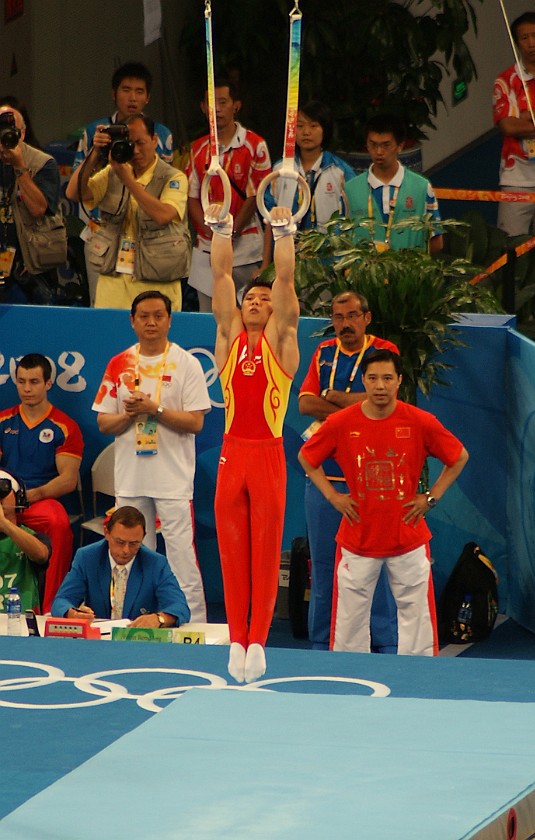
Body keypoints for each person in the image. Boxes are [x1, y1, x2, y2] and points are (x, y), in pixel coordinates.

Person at [298, 349, 468, 656]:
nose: (380, 385)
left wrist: (431, 497)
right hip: (357, 537)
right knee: (349, 622)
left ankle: (418, 679)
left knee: (417, 617)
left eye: (387, 378)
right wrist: (333, 496)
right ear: (364, 380)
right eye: (373, 378)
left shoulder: (419, 421)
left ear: (399, 381)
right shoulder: (340, 422)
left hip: (408, 536)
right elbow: (307, 457)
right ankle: (350, 680)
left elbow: (458, 456)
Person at [207, 201, 297, 683]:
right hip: (231, 455)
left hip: (267, 455)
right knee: (232, 551)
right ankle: (235, 640)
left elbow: (286, 285)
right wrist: (221, 227)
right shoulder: (229, 338)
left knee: (264, 552)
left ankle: (258, 639)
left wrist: (283, 235)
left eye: (263, 299)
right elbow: (221, 275)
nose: (256, 303)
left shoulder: (282, 343)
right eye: (250, 300)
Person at [92, 290, 210, 622]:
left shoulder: (187, 363)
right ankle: (131, 620)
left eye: (158, 315)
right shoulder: (120, 363)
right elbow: (103, 421)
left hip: (172, 478)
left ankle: (194, 625)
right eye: (144, 316)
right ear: (132, 321)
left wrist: (153, 409)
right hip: (131, 477)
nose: (151, 322)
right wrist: (131, 415)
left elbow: (196, 422)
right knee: (131, 554)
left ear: (170, 320)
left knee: (182, 557)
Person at [299, 290, 400, 651]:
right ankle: (322, 641)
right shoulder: (324, 353)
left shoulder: (384, 352)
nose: (345, 324)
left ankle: (384, 643)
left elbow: (383, 400)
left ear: (367, 317)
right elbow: (305, 402)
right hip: (325, 480)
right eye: (338, 318)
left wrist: (334, 398)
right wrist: (351, 405)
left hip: (371, 480)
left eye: (352, 315)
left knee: (379, 565)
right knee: (324, 565)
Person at [71, 62, 174, 305]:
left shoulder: (161, 133)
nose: (132, 97)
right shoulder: (96, 131)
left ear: (148, 97)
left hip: (148, 239)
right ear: (114, 94)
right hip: (102, 235)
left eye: (139, 91)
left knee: (147, 308)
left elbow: (166, 183)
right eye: (126, 90)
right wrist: (97, 152)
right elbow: (75, 188)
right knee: (102, 307)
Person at [66, 114, 189, 312]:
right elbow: (73, 192)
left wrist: (129, 181)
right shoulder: (113, 171)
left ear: (155, 140)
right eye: (131, 144)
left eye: (141, 143)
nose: (136, 150)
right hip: (113, 280)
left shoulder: (174, 177)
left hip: (156, 283)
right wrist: (95, 154)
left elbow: (163, 215)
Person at [0, 354, 83, 612]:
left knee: (58, 523)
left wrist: (28, 497)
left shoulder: (65, 426)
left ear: (48, 383)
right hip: (3, 499)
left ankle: (51, 606)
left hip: (40, 501)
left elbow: (68, 480)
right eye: (21, 381)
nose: (27, 388)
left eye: (34, 381)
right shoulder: (3, 421)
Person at [186, 78, 271, 312]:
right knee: (209, 318)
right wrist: (208, 230)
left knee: (250, 315)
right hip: (207, 251)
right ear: (203, 107)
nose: (217, 109)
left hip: (246, 250)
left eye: (223, 102)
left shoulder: (255, 145)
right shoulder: (197, 148)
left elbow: (256, 196)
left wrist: (230, 233)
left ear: (236, 105)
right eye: (211, 103)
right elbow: (192, 197)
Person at [51, 506, 189, 627]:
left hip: (138, 641)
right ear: (106, 533)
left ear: (143, 537)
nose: (126, 550)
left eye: (134, 543)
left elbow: (180, 607)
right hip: (98, 641)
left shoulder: (155, 563)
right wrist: (72, 614)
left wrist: (159, 618)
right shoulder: (87, 557)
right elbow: (61, 601)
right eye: (120, 542)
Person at [262, 100, 356, 265]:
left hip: (330, 262)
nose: (306, 132)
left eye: (313, 126)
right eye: (300, 126)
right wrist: (265, 265)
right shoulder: (280, 170)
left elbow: (352, 220)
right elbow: (269, 220)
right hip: (286, 258)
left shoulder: (340, 171)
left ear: (324, 130)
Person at [493, 12, 535, 237]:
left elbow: (518, 121)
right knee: (511, 247)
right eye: (524, 38)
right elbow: (509, 126)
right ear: (517, 43)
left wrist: (527, 115)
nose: (531, 43)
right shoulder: (506, 81)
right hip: (517, 179)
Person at [346, 114, 443, 255]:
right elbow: (342, 238)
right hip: (364, 275)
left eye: (386, 145)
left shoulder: (421, 187)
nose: (379, 152)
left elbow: (436, 240)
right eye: (373, 145)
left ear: (400, 146)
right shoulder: (350, 189)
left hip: (408, 274)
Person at [0, 105, 67, 305]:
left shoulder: (43, 163)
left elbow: (38, 208)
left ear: (23, 133)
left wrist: (20, 167)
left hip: (29, 268)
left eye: (12, 132)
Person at [0, 470, 50, 613]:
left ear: (18, 498)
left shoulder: (33, 537)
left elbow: (41, 555)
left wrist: (4, 524)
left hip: (19, 621)